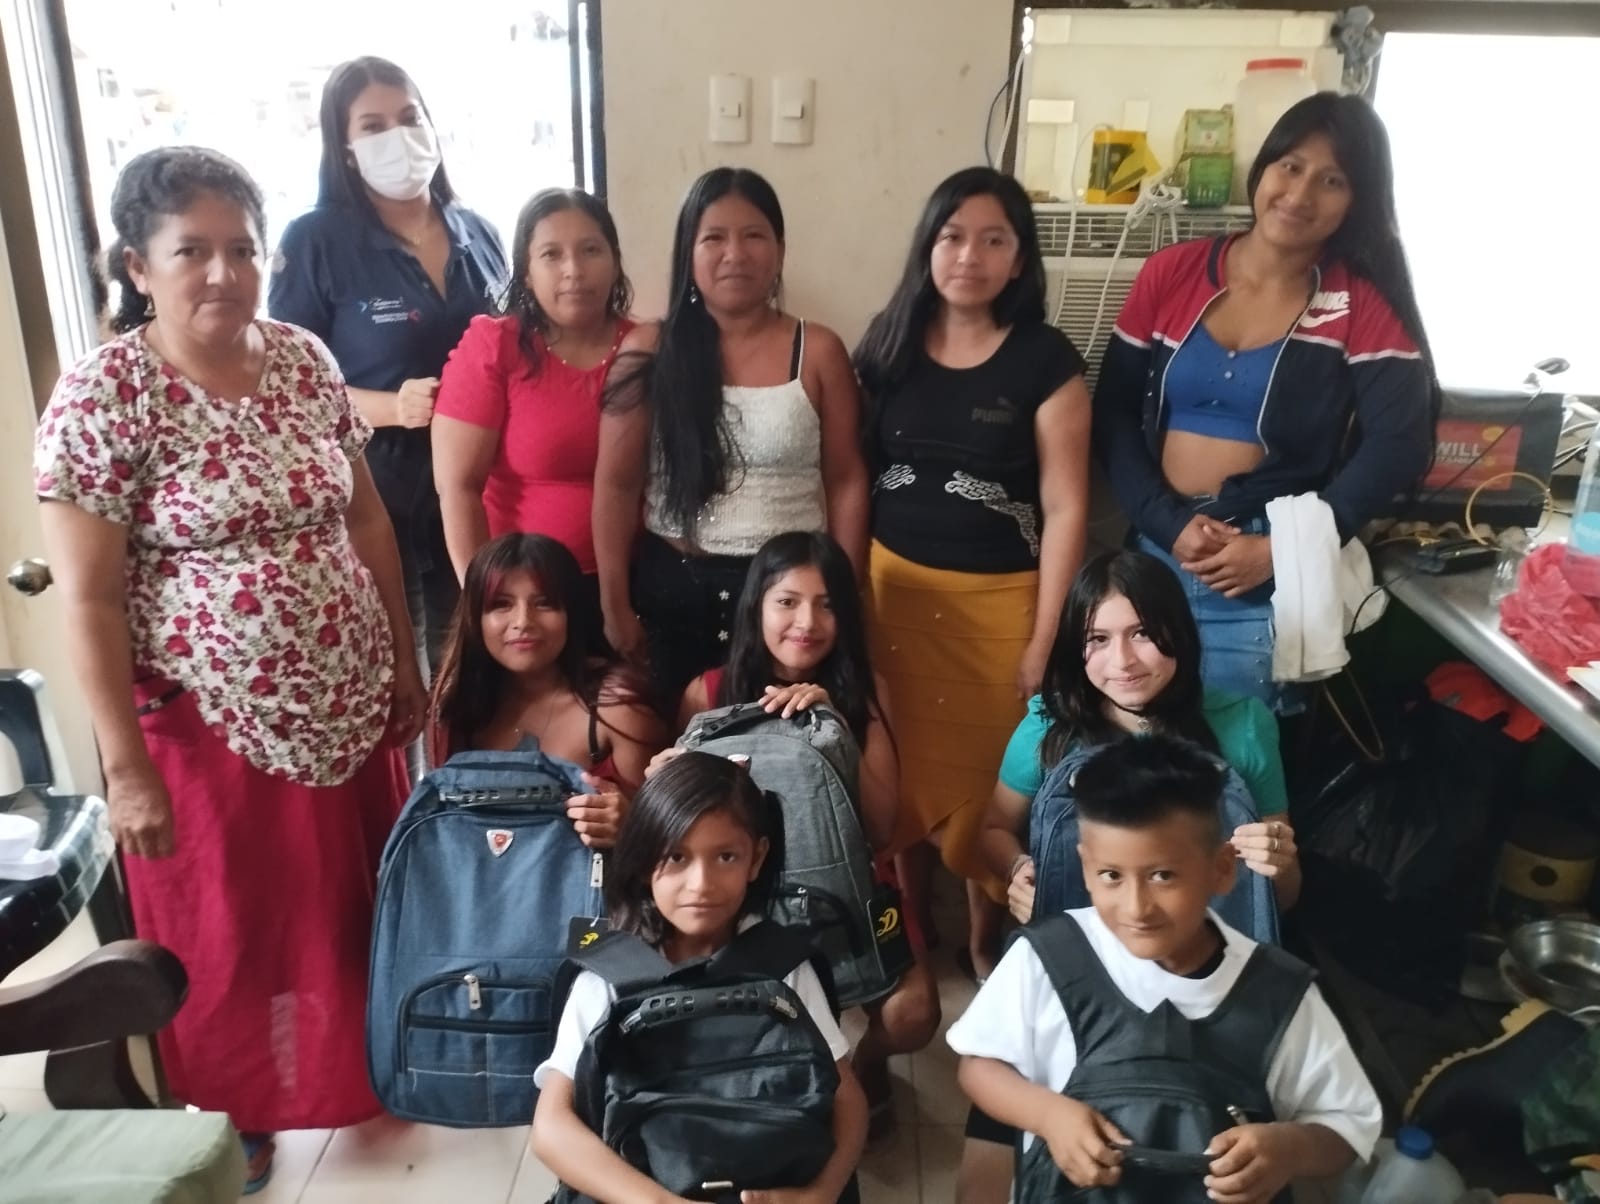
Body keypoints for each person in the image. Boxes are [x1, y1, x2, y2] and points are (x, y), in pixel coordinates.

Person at [34, 146, 424, 1193]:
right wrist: (125, 770)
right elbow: (89, 598)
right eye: (192, 251)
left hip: (344, 704)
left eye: (243, 248)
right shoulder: (107, 393)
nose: (224, 272)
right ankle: (232, 1111)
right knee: (230, 930)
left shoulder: (303, 359)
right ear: (138, 265)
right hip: (208, 726)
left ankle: (365, 1071)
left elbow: (366, 521)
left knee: (344, 911)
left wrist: (401, 656)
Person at [960, 549, 1300, 1204]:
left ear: (1178, 631)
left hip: (1202, 996)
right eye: (1098, 639)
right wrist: (1017, 871)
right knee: (985, 1183)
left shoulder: (1244, 725)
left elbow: (1279, 900)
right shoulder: (1048, 726)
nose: (1123, 660)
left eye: (1143, 632)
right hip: (1064, 981)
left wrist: (1279, 864)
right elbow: (993, 832)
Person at [1092, 92, 1438, 714]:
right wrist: (1166, 524)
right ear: (1264, 167)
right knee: (1137, 750)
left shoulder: (1359, 302)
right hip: (1156, 552)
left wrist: (1283, 550)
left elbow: (1399, 443)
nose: (1300, 195)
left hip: (1261, 571)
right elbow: (1112, 411)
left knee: (1237, 756)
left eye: (1332, 180)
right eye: (1291, 166)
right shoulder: (1171, 272)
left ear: (1356, 199)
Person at [949, 736, 1380, 1204]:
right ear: (1086, 866)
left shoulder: (1278, 992)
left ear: (1222, 869)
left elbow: (1347, 1125)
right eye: (1111, 875)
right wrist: (1048, 1116)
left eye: (1163, 876)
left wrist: (1289, 1148)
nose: (1137, 907)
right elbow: (980, 1065)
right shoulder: (1046, 957)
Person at [854, 165, 1091, 981]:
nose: (969, 256)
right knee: (903, 771)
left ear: (1020, 259)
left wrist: (1046, 637)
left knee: (993, 782)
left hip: (1001, 611)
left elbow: (1067, 507)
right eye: (953, 236)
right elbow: (852, 478)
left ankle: (987, 936)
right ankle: (916, 928)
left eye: (994, 240)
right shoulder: (886, 345)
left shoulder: (1046, 361)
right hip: (892, 601)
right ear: (928, 245)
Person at [673, 530, 940, 1138]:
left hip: (850, 886)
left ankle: (865, 1065)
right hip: (741, 895)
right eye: (787, 602)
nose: (807, 623)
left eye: (826, 605)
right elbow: (678, 821)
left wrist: (835, 725)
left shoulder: (864, 692)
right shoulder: (707, 691)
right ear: (756, 607)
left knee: (914, 1014)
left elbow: (880, 828)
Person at [269, 55, 508, 697]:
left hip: (479, 493)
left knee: (474, 669)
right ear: (345, 149)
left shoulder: (478, 232)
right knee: (398, 676)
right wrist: (389, 407)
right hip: (377, 497)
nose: (397, 137)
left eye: (409, 118)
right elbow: (285, 386)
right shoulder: (317, 242)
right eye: (373, 126)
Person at [531, 752, 867, 1203]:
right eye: (676, 857)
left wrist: (819, 1195)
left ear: (756, 858)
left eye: (726, 856)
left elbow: (848, 1102)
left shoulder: (783, 965)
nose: (701, 883)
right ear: (644, 858)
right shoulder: (607, 977)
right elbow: (551, 1126)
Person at [593, 167, 870, 702]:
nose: (735, 254)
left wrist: (842, 597)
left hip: (787, 605)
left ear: (780, 250)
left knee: (777, 744)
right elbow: (617, 484)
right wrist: (614, 602)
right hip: (672, 594)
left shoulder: (819, 351)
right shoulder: (650, 349)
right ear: (688, 251)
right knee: (674, 746)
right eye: (714, 238)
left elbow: (847, 481)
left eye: (754, 236)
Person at [433, 188, 634, 618]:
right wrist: (489, 604)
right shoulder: (495, 345)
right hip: (524, 594)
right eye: (551, 254)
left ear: (615, 261)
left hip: (635, 585)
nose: (574, 270)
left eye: (591, 250)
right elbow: (459, 487)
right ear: (526, 271)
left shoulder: (645, 347)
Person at [429, 533, 666, 827]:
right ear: (474, 619)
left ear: (572, 613)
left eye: (544, 603)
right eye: (501, 604)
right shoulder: (455, 704)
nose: (523, 622)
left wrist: (628, 823)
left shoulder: (620, 707)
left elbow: (665, 831)